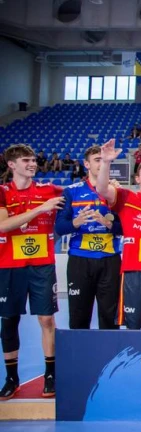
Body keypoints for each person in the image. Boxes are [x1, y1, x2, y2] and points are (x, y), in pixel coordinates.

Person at [0, 144, 64, 400]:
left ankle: (51, 375)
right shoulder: (3, 192)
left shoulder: (49, 190)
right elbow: (3, 226)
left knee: (47, 320)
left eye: (34, 160)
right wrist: (39, 209)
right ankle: (11, 378)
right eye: (26, 160)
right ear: (11, 165)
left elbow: (83, 193)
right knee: (9, 320)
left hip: (42, 266)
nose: (32, 164)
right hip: (9, 266)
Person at [95, 141, 141, 330]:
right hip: (134, 273)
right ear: (137, 179)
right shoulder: (127, 198)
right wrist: (106, 162)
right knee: (133, 327)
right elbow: (102, 189)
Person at [55, 145, 122, 330]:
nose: (101, 164)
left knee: (110, 318)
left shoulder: (116, 192)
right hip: (80, 261)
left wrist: (108, 224)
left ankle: (109, 349)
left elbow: (124, 229)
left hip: (110, 260)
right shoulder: (71, 191)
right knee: (79, 316)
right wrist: (75, 223)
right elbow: (59, 227)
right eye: (97, 160)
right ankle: (79, 350)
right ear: (86, 164)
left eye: (104, 160)